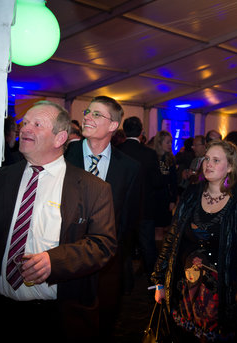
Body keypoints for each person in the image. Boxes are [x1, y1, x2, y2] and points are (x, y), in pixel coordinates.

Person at [0, 101, 117, 342]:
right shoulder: (1, 178)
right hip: (0, 313)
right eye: (24, 123)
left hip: (57, 319)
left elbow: (103, 244)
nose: (25, 129)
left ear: (60, 138)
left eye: (37, 124)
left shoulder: (93, 188)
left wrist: (54, 261)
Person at [152, 140, 237, 342]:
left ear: (230, 167)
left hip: (222, 296)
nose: (208, 164)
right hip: (185, 289)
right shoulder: (192, 194)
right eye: (207, 159)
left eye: (216, 160)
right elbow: (172, 238)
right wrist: (160, 281)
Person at [65, 96, 141, 338]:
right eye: (88, 112)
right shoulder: (64, 155)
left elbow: (129, 219)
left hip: (107, 264)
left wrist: (116, 256)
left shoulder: (129, 167)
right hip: (64, 258)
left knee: (102, 324)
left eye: (97, 114)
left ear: (113, 125)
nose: (87, 116)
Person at [118, 116, 163, 283]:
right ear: (142, 131)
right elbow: (157, 182)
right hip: (144, 207)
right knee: (148, 246)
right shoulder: (149, 154)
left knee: (124, 247)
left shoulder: (117, 150)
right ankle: (154, 282)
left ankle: (125, 282)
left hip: (122, 208)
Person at [153, 130, 178, 242]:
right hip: (153, 197)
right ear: (159, 143)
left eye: (171, 142)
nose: (170, 145)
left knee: (164, 228)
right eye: (167, 142)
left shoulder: (171, 159)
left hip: (165, 197)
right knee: (155, 228)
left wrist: (173, 200)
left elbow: (174, 181)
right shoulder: (152, 158)